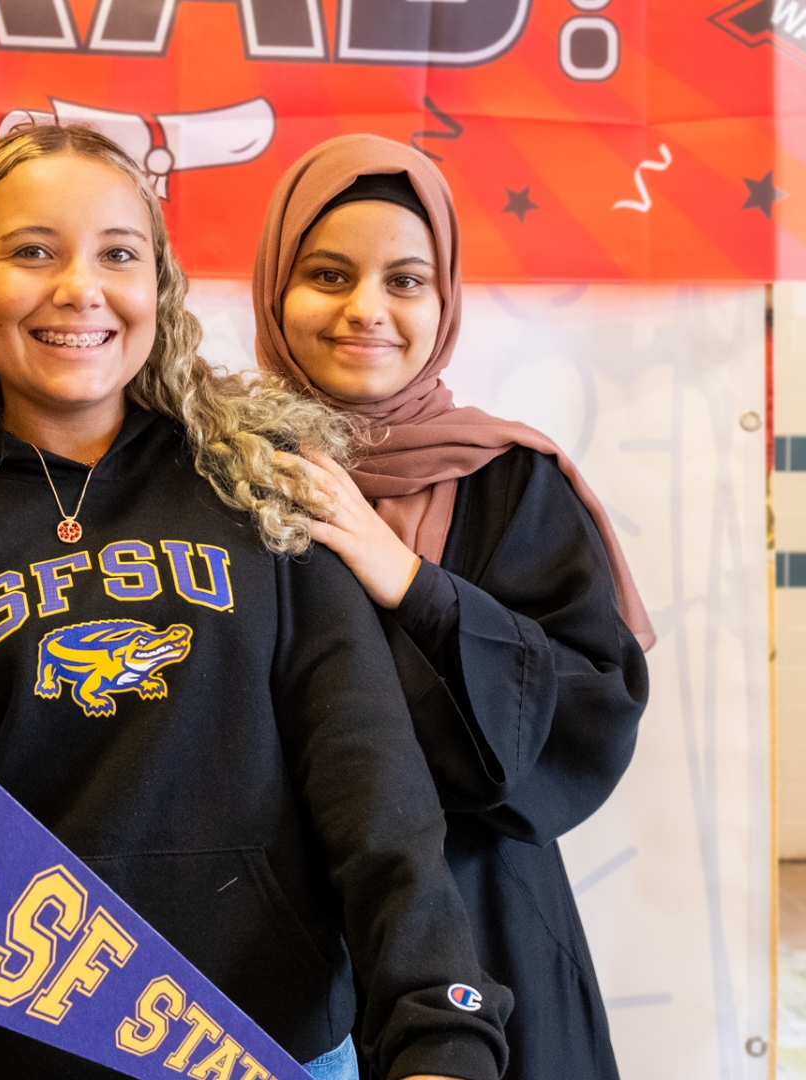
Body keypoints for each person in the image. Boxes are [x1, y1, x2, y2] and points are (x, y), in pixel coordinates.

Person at [0, 124, 509, 1080]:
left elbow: (369, 781)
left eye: (118, 254)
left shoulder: (259, 484)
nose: (80, 288)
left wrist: (438, 1024)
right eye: (32, 251)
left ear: (157, 291)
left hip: (260, 1042)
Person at [253, 135, 653, 1080]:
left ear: (446, 301)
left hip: (479, 932)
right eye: (327, 274)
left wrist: (410, 582)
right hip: (267, 933)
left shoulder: (514, 483)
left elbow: (589, 715)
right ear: (275, 287)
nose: (366, 311)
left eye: (406, 280)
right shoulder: (223, 468)